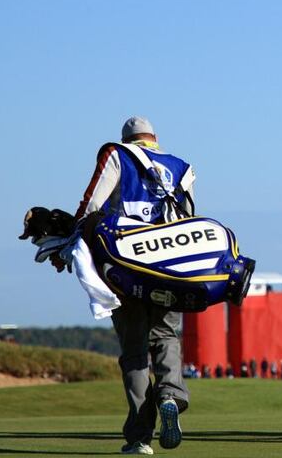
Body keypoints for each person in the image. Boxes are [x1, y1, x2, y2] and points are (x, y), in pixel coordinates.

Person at [74, 116, 194, 455]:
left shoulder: (117, 156)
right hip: (168, 269)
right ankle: (171, 394)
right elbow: (187, 218)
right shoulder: (181, 168)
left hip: (126, 270)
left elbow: (91, 206)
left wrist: (71, 243)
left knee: (135, 350)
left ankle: (141, 436)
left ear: (126, 138)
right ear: (155, 138)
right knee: (166, 336)